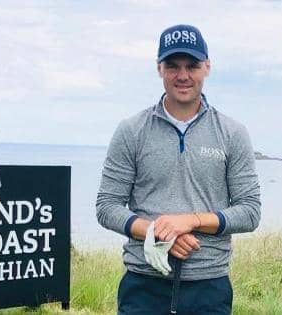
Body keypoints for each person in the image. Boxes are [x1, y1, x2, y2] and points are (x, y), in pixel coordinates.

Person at [96, 24, 261, 315]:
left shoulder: (233, 133)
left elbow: (250, 212)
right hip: (143, 285)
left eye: (192, 65)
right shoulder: (131, 131)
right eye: (172, 66)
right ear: (159, 69)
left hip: (209, 288)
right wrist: (157, 233)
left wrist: (192, 220)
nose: (183, 75)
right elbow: (107, 206)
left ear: (207, 67)